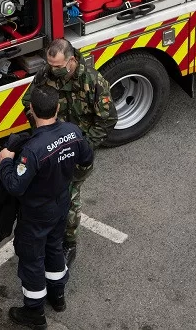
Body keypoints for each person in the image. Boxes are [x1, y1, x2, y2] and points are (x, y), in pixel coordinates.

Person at [0, 84, 93, 327]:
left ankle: (34, 313)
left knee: (31, 260)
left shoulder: (33, 149)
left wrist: (6, 162)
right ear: (58, 107)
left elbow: (15, 186)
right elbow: (87, 158)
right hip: (61, 204)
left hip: (37, 213)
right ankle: (58, 297)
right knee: (54, 248)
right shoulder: (72, 131)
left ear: (31, 109)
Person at [21, 38, 116, 267]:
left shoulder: (92, 81)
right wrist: (42, 132)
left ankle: (69, 243)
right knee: (49, 192)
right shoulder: (46, 74)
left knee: (69, 194)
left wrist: (84, 147)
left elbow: (107, 119)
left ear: (71, 61)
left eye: (58, 66)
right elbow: (28, 101)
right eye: (50, 64)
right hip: (51, 148)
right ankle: (50, 234)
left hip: (76, 151)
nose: (53, 70)